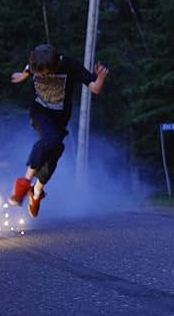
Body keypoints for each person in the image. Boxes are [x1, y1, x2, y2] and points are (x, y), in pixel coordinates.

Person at [7, 44, 109, 217]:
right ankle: (24, 183)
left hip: (60, 120)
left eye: (46, 74)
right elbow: (27, 70)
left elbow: (95, 88)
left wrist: (100, 77)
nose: (42, 77)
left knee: (54, 152)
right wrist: (22, 75)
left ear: (55, 67)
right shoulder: (36, 63)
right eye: (38, 74)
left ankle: (36, 192)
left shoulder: (70, 65)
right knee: (51, 138)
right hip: (39, 112)